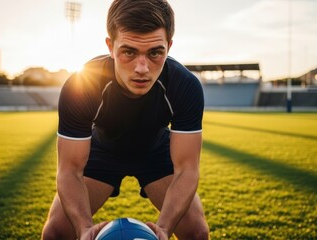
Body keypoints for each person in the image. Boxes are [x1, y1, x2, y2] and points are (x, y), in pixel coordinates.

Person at [41, 0, 209, 239]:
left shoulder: (185, 86)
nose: (142, 67)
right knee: (56, 233)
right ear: (110, 46)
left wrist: (164, 227)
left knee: (196, 232)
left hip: (156, 152)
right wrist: (83, 228)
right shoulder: (82, 85)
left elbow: (187, 170)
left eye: (155, 53)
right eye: (129, 52)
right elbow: (69, 170)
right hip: (102, 151)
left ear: (169, 46)